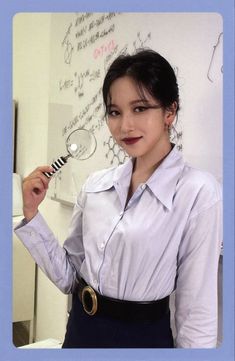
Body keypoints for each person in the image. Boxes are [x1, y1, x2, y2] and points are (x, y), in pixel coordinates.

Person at [14, 49, 222, 348]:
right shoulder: (96, 185)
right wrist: (32, 214)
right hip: (81, 332)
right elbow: (70, 279)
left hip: (142, 340)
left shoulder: (197, 193)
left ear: (169, 112)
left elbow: (196, 312)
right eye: (115, 112)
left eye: (140, 108)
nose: (124, 126)